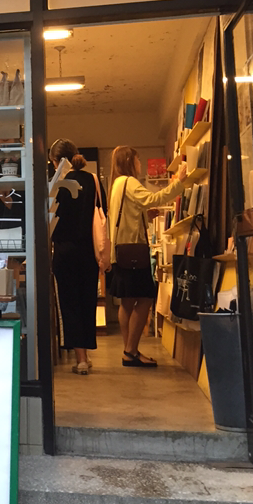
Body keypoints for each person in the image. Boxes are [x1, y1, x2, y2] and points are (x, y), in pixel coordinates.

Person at [109, 146, 188, 367]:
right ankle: (131, 350)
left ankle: (129, 351)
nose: (140, 164)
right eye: (137, 159)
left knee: (127, 302)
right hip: (134, 253)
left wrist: (144, 215)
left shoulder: (116, 184)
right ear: (129, 161)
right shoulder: (130, 182)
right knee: (145, 298)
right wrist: (179, 182)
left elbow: (128, 214)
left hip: (121, 252)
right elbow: (153, 198)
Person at [50, 138, 107, 376]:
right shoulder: (93, 179)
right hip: (89, 251)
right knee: (86, 302)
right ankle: (85, 353)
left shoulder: (57, 184)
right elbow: (103, 211)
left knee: (69, 303)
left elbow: (49, 218)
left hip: (64, 251)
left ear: (56, 161)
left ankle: (81, 358)